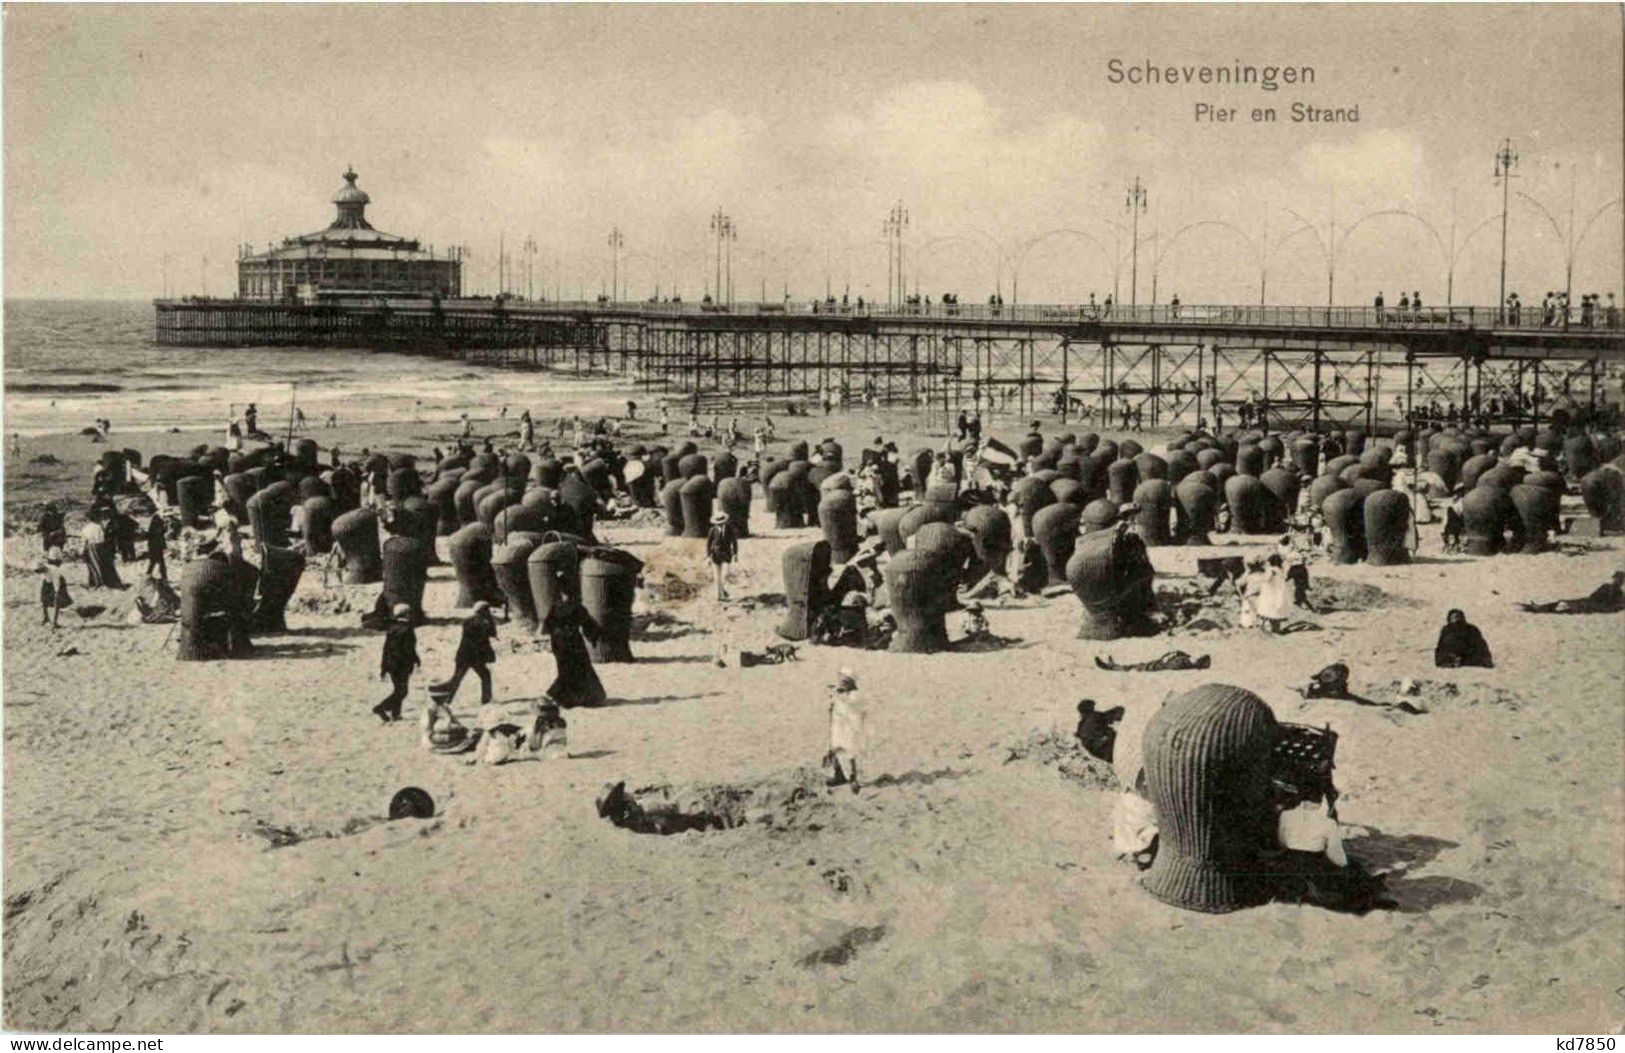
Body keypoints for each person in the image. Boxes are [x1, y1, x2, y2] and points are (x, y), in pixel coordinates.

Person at [543, 583, 607, 707]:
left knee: (565, 669)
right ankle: (570, 696)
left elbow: (547, 626)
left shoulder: (555, 607)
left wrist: (556, 632)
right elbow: (588, 624)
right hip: (573, 643)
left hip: (558, 643)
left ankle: (563, 697)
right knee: (580, 668)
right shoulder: (578, 608)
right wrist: (595, 637)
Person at [432, 600, 498, 705]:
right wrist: (490, 620)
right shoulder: (484, 622)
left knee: (457, 678)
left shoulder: (467, 621)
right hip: (475, 656)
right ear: (484, 611)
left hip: (463, 654)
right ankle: (486, 700)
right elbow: (492, 634)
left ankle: (447, 699)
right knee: (485, 675)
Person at [374, 603, 421, 723]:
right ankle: (381, 708)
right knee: (402, 691)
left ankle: (396, 714)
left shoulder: (392, 629)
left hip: (391, 663)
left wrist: (383, 668)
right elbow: (409, 649)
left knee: (398, 689)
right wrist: (416, 660)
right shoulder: (408, 629)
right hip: (402, 664)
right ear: (406, 614)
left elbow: (386, 649)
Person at [705, 510, 738, 601]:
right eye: (718, 523)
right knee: (717, 577)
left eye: (721, 522)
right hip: (715, 554)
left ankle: (723, 591)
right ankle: (720, 596)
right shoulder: (712, 530)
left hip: (727, 554)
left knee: (725, 575)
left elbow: (734, 541)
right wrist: (708, 556)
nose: (719, 524)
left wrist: (735, 553)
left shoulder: (730, 529)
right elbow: (708, 543)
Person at [39, 548, 69, 628]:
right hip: (50, 583)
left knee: (50, 601)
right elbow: (54, 582)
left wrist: (56, 591)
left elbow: (55, 582)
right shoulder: (52, 569)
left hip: (51, 584)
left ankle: (50, 620)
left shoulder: (51, 569)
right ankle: (50, 620)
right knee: (49, 601)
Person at [144, 505, 169, 582]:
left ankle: (149, 575)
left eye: (148, 511)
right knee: (156, 561)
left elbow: (158, 532)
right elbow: (163, 530)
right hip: (157, 543)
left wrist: (146, 534)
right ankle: (163, 576)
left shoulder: (156, 519)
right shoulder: (156, 518)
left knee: (156, 561)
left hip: (156, 544)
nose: (146, 513)